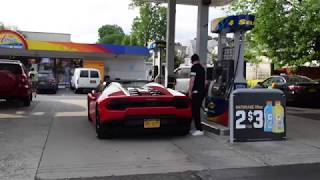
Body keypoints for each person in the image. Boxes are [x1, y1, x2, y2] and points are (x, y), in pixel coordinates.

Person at [188, 54, 206, 136]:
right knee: (195, 110)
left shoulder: (194, 67)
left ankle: (200, 129)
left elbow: (192, 80)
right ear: (198, 59)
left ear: (192, 60)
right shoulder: (202, 68)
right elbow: (204, 82)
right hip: (201, 92)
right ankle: (197, 128)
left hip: (196, 92)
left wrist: (189, 91)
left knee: (195, 111)